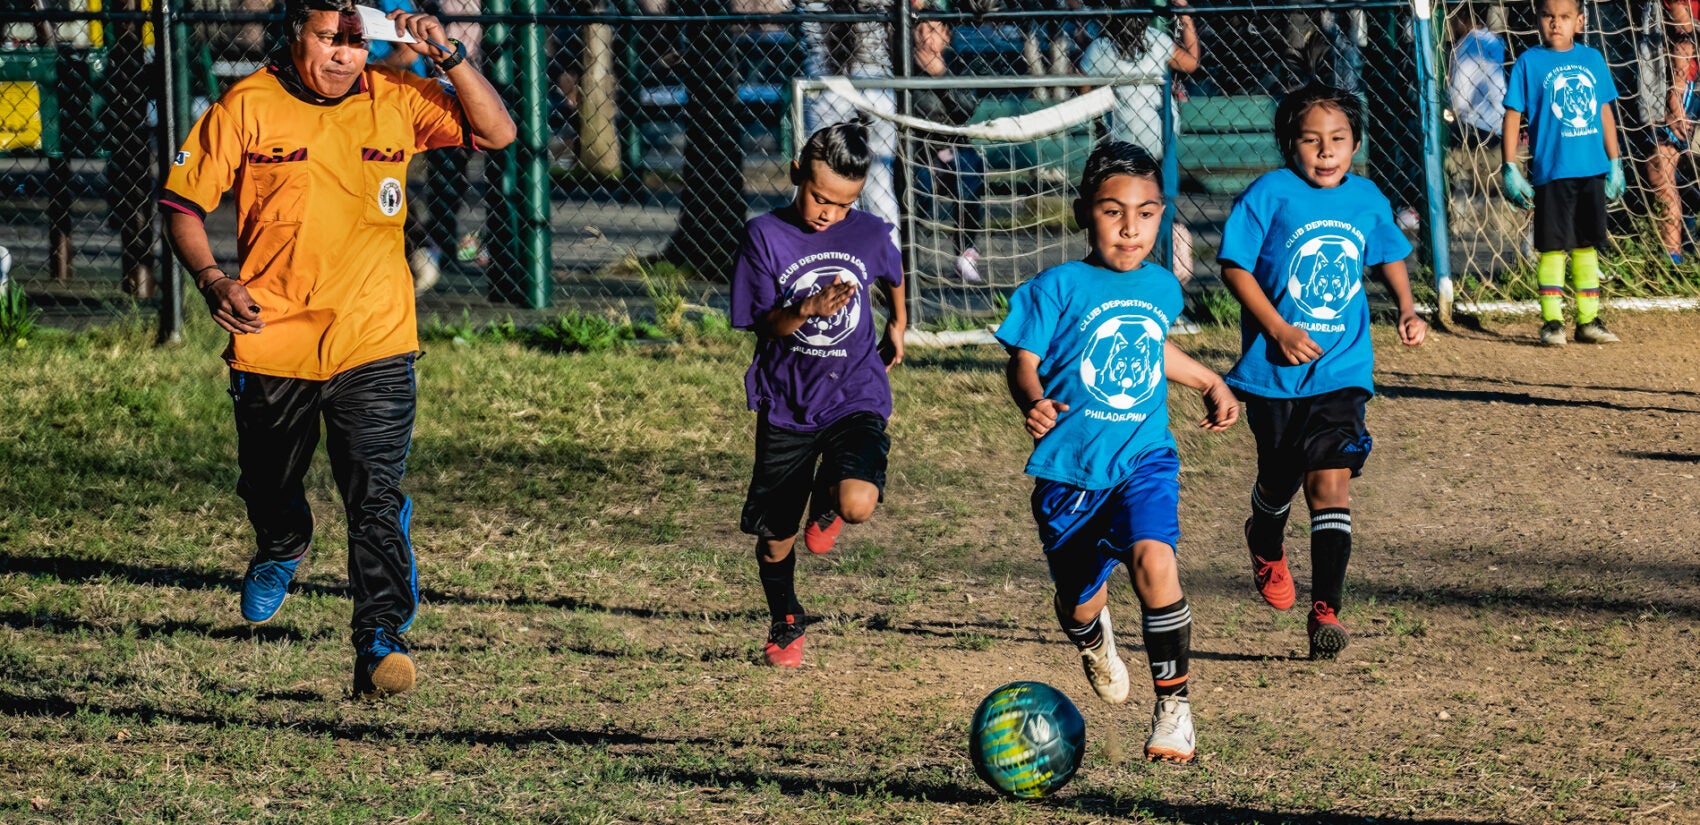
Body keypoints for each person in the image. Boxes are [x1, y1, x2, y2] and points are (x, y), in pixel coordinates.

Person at [159, 0, 515, 698]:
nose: (342, 55)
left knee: (374, 495)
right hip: (272, 338)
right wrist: (211, 281)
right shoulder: (246, 104)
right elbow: (181, 205)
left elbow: (496, 132)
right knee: (269, 481)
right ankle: (283, 540)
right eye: (329, 38)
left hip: (375, 337)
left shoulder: (398, 96)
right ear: (299, 36)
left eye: (355, 42)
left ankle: (379, 643)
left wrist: (447, 55)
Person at [996, 141, 1239, 763]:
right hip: (1069, 472)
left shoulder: (1160, 286)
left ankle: (1174, 710)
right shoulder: (1055, 286)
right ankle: (1092, 638)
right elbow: (1022, 362)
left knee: (1154, 560)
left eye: (1147, 212)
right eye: (1113, 212)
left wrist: (1208, 380)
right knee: (1079, 602)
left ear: (1161, 215)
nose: (1132, 228)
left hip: (1143, 457)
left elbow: (1149, 347)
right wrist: (1032, 399)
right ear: (1084, 213)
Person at [1217, 83, 1426, 661]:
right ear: (1290, 145)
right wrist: (1278, 330)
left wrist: (1406, 308)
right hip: (1273, 373)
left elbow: (1387, 254)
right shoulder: (1270, 194)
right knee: (1281, 476)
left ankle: (1327, 609)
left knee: (1329, 479)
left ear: (1355, 144)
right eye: (1312, 141)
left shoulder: (1366, 197)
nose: (1326, 151)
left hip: (1342, 367)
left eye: (1338, 140)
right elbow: (1235, 267)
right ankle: (1263, 534)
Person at [730, 122, 907, 669]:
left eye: (843, 203)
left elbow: (892, 271)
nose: (829, 212)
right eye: (819, 197)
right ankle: (786, 617)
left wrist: (898, 324)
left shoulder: (868, 232)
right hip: (788, 402)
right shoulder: (765, 236)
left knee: (858, 502)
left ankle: (830, 501)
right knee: (775, 537)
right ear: (796, 175)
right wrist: (807, 308)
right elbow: (766, 324)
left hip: (855, 391)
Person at [1501, 0, 1626, 345]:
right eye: (1548, 16)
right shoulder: (1529, 62)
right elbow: (1512, 116)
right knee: (1554, 248)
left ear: (1580, 22)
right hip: (1552, 172)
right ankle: (1552, 322)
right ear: (1538, 20)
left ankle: (1588, 321)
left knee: (1587, 246)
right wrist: (1509, 166)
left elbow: (1604, 112)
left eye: (1564, 17)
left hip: (1592, 171)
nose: (1556, 23)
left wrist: (1615, 162)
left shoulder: (1592, 59)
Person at [1078, 0, 1199, 282]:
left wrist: (1099, 118)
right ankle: (1168, 263)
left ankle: (1124, 269)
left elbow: (1084, 90)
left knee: (1124, 211)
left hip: (1124, 144)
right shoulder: (1158, 41)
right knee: (1161, 203)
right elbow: (1191, 62)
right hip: (1161, 137)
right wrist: (1185, 15)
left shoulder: (1100, 49)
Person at [911, 0, 988, 282]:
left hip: (955, 145)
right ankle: (910, 258)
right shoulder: (904, 63)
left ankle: (966, 252)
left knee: (969, 171)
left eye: (935, 30)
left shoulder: (957, 63)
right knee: (916, 184)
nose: (927, 38)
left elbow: (964, 109)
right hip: (917, 149)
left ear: (947, 35)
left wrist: (942, 76)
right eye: (922, 30)